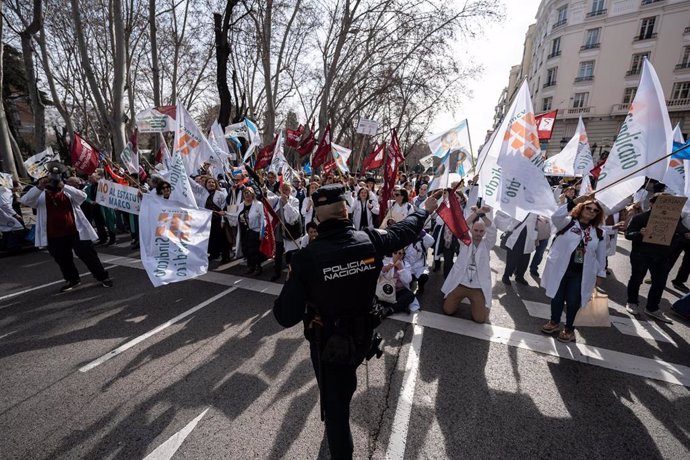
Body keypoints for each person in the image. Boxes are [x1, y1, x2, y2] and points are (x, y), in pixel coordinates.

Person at [273, 184, 439, 459]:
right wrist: (425, 210)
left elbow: (284, 316)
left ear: (317, 216)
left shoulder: (306, 258)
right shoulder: (370, 239)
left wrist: (294, 275)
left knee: (337, 416)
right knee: (344, 389)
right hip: (362, 338)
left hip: (329, 348)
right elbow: (405, 231)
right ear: (346, 210)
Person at [19, 171, 113, 292]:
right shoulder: (41, 196)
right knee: (62, 258)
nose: (53, 184)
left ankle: (102, 277)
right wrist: (39, 187)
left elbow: (82, 196)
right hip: (54, 234)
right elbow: (25, 201)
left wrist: (64, 186)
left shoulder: (67, 193)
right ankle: (72, 279)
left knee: (88, 254)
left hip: (75, 231)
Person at [540, 197, 607, 342]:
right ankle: (554, 322)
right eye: (588, 208)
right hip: (560, 269)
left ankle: (569, 329)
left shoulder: (600, 233)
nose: (591, 211)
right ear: (581, 208)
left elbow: (601, 256)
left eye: (595, 210)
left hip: (581, 274)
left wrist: (600, 274)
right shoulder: (567, 223)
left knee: (573, 301)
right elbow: (556, 216)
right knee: (557, 298)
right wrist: (574, 201)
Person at [624, 193, 687, 323]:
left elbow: (682, 233)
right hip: (641, 255)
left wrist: (682, 236)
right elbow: (628, 234)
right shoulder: (640, 218)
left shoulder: (674, 220)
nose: (666, 208)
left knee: (659, 283)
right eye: (661, 204)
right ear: (652, 204)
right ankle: (632, 302)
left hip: (662, 256)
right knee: (636, 279)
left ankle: (652, 308)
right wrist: (639, 233)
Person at [441, 206, 495, 323]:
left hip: (477, 286)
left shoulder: (487, 244)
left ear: (484, 232)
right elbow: (462, 226)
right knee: (447, 310)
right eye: (476, 230)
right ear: (471, 230)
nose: (478, 233)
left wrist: (483, 215)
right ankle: (457, 299)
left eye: (481, 231)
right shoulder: (465, 241)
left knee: (480, 319)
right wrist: (476, 213)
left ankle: (477, 304)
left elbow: (492, 229)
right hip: (461, 283)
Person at [235, 187, 266, 275]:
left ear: (253, 194)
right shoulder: (241, 205)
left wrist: (261, 232)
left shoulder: (258, 204)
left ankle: (258, 267)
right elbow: (236, 216)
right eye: (245, 193)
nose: (247, 194)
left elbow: (263, 219)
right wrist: (225, 214)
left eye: (249, 192)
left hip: (255, 231)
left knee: (255, 250)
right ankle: (250, 266)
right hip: (245, 231)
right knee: (246, 249)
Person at [501, 213, 537, 285]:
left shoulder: (538, 210)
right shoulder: (522, 205)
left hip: (528, 238)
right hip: (517, 236)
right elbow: (512, 218)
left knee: (525, 260)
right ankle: (506, 276)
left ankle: (520, 276)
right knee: (512, 259)